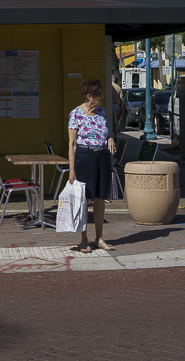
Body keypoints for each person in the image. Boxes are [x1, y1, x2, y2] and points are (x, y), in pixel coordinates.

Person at [67, 78, 117, 253]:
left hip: (102, 156)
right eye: (99, 94)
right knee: (84, 199)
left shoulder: (102, 112)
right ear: (89, 96)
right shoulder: (76, 114)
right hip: (85, 156)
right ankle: (83, 240)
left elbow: (106, 132)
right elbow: (72, 144)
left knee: (100, 198)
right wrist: (71, 170)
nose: (102, 97)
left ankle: (99, 239)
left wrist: (110, 138)